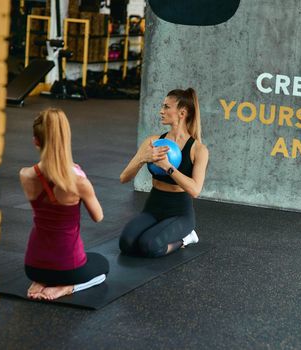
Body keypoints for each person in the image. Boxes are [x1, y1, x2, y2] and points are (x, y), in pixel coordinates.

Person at [20, 108, 109, 301]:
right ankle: (66, 288)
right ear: (65, 140)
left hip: (33, 267)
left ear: (36, 141)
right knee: (102, 265)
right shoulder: (79, 182)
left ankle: (40, 282)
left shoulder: (25, 175)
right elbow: (98, 217)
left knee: (47, 264)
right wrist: (80, 175)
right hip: (68, 268)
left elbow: (48, 183)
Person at [119, 88, 209, 257]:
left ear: (182, 113)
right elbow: (124, 177)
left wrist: (168, 167)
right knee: (127, 243)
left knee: (150, 246)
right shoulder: (153, 142)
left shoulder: (198, 149)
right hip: (153, 207)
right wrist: (143, 158)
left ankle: (186, 238)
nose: (161, 111)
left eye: (167, 107)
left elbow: (195, 190)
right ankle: (159, 232)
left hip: (180, 212)